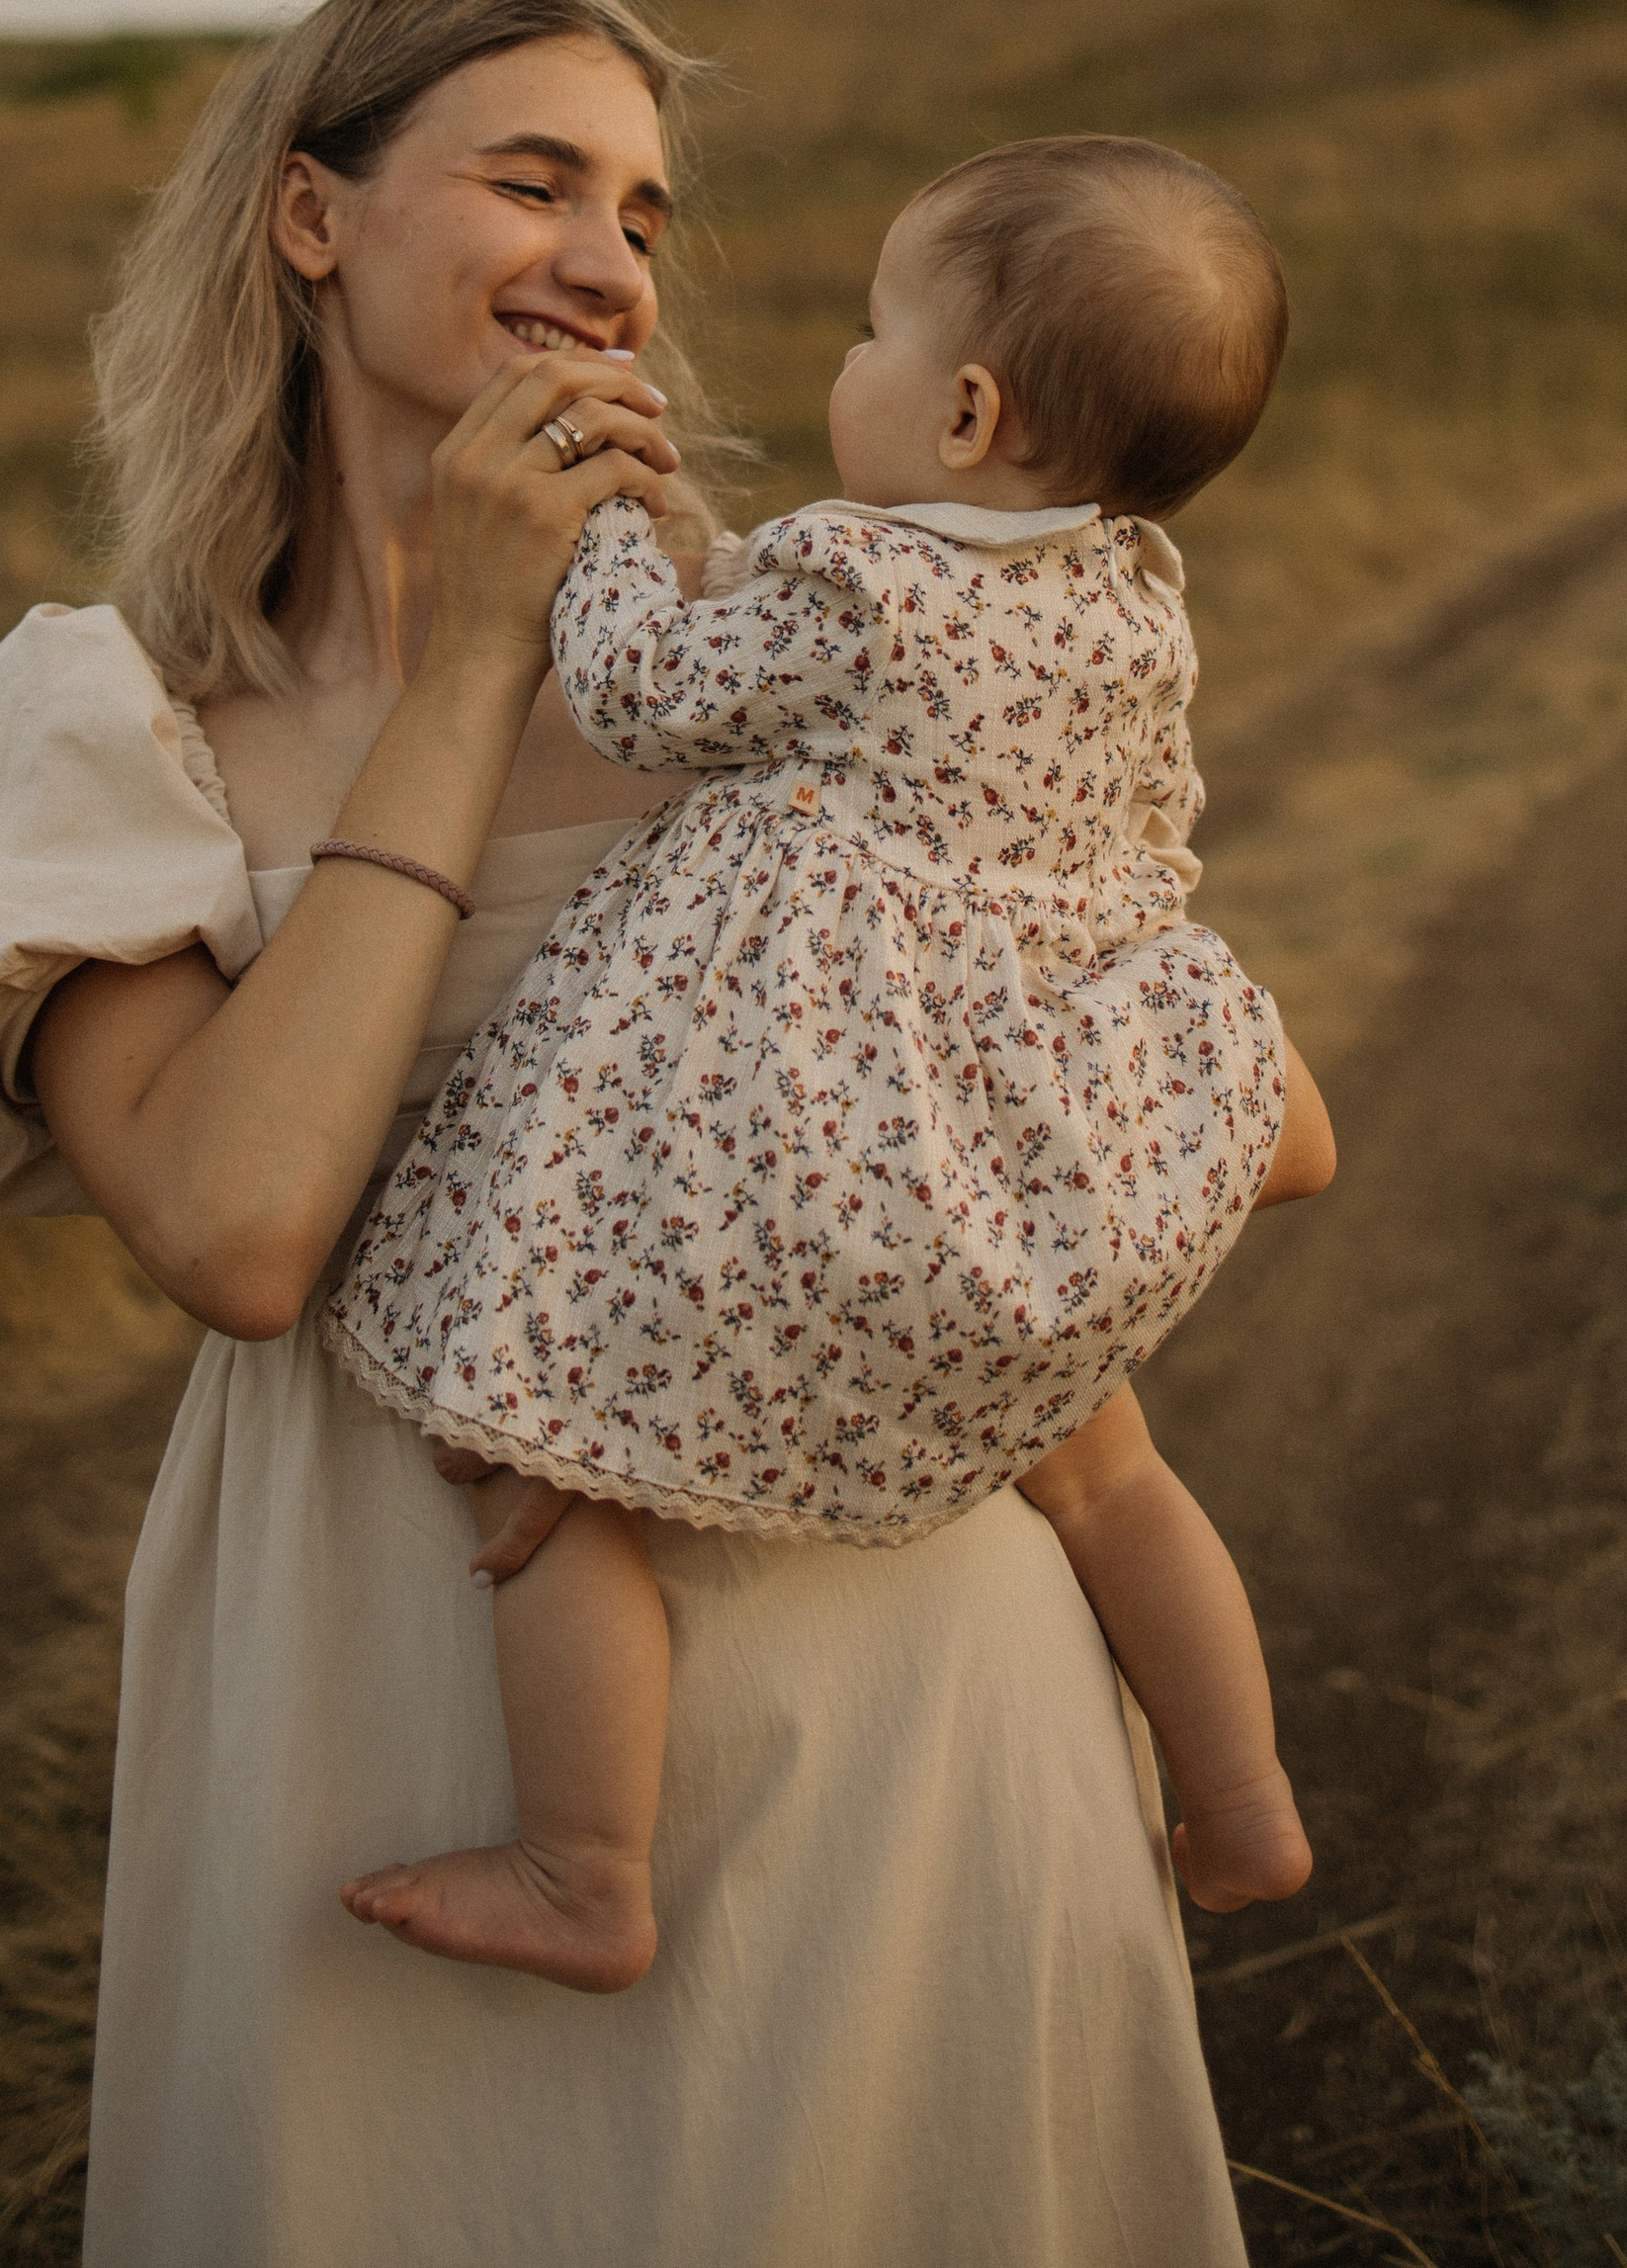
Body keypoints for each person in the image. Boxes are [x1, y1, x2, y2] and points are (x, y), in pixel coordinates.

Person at [0, 0, 1336, 2268]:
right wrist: (473, 648)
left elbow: (1245, 1111)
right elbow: (244, 1231)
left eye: (645, 216)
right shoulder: (101, 722)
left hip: (900, 1659)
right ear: (310, 216)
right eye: (535, 182)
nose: (607, 261)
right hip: (402, 1661)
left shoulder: (798, 649)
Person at [324, 136, 1314, 1995]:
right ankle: (1246, 1794)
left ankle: (584, 1867)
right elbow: (1149, 816)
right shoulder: (1135, 592)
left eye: (870, 333)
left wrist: (607, 529)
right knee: (1108, 1471)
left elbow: (641, 698)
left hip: (816, 1132)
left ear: (962, 409)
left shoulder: (860, 574)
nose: (837, 367)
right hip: (1018, 1110)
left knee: (539, 1431)